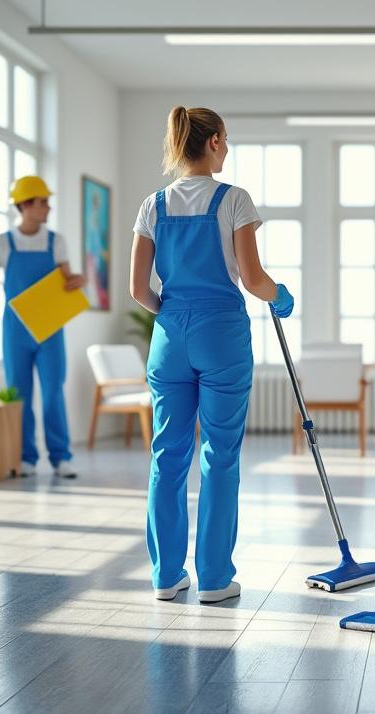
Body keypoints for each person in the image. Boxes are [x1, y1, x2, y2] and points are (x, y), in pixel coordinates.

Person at [130, 106, 294, 604]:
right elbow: (253, 279)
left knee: (167, 455)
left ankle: (165, 576)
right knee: (219, 456)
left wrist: (174, 316)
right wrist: (281, 295)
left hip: (169, 334)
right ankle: (216, 580)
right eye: (228, 140)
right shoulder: (233, 200)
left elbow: (139, 290)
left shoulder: (152, 205)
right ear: (215, 141)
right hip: (221, 332)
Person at [0, 176, 84, 478]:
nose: (48, 207)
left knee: (52, 392)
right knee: (19, 394)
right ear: (25, 205)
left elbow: (68, 279)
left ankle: (61, 457)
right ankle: (25, 458)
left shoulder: (56, 241)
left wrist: (78, 281)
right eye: (43, 202)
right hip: (16, 331)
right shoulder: (3, 243)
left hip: (50, 330)